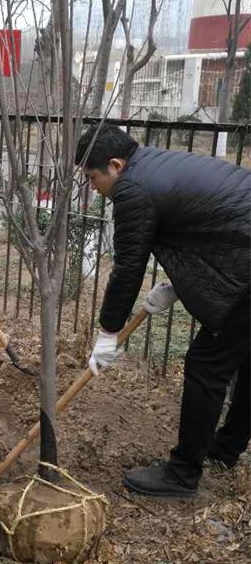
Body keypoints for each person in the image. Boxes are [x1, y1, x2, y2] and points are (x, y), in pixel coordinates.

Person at [76, 123, 250, 498]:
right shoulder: (153, 165)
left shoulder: (132, 189)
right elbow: (207, 227)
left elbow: (128, 268)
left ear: (115, 165)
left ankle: (182, 475)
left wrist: (108, 333)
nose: (93, 188)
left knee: (206, 366)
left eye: (92, 178)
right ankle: (226, 449)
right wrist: (177, 287)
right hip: (242, 253)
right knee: (245, 356)